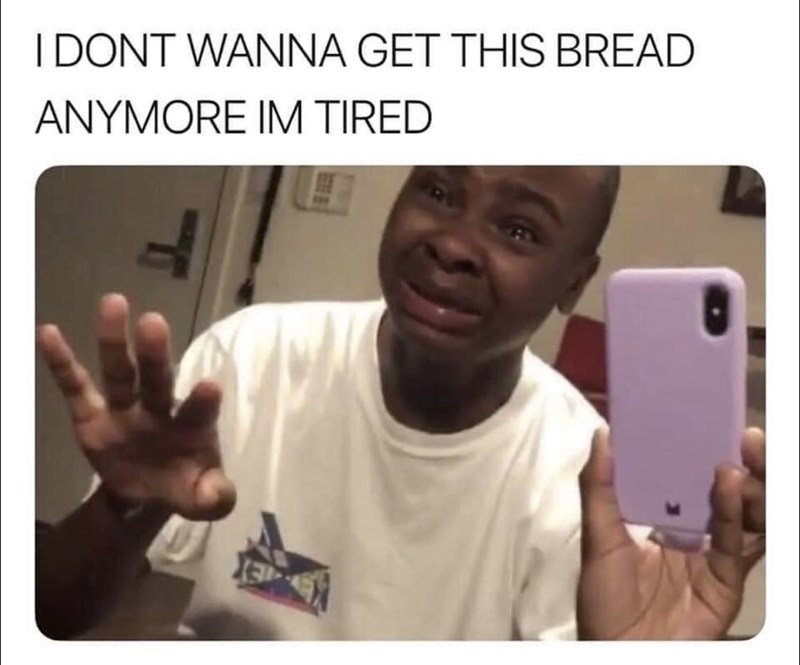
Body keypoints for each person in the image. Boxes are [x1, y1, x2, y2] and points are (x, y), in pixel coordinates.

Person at [35, 166, 766, 640]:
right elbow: (51, 616)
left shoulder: (585, 479)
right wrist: (125, 508)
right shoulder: (251, 358)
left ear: (574, 281)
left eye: (518, 229)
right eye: (440, 192)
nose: (453, 244)